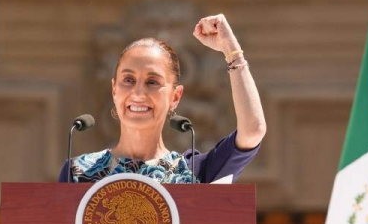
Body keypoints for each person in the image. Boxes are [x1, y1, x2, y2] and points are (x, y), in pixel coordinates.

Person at [59, 13, 266, 183]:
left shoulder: (194, 172)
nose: (138, 93)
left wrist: (232, 52)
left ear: (175, 97)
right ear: (114, 90)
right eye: (128, 80)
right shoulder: (78, 172)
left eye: (152, 82)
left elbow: (253, 130)